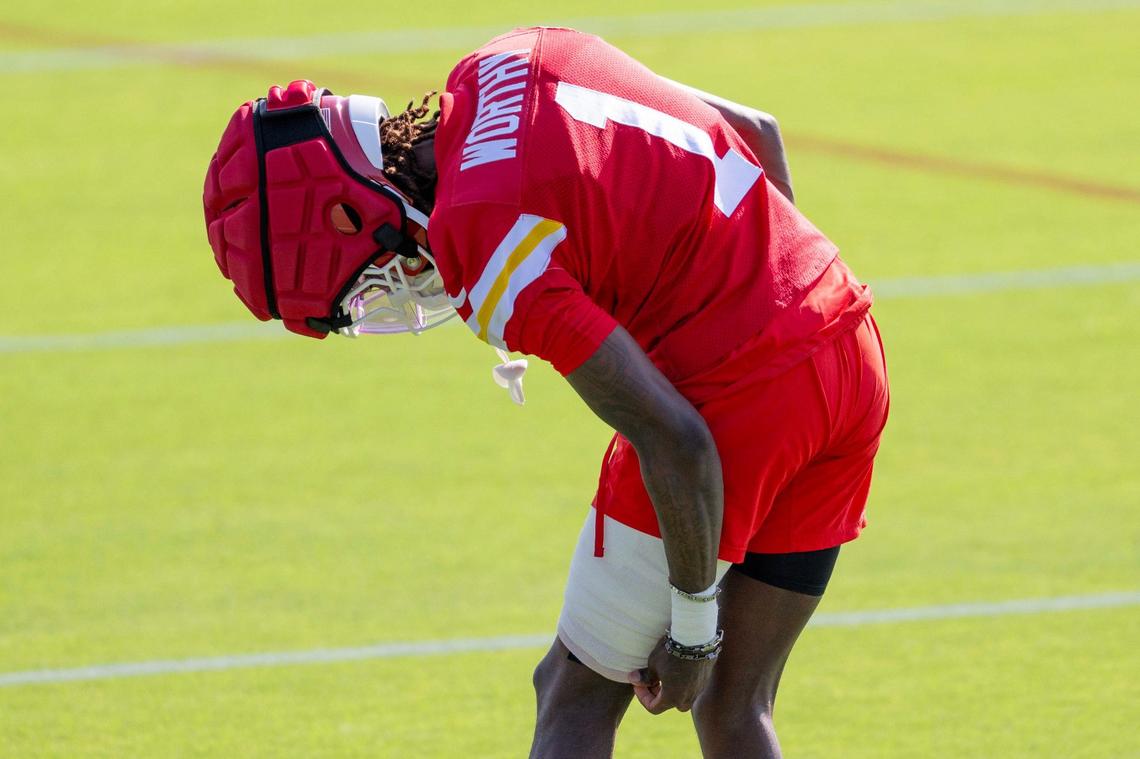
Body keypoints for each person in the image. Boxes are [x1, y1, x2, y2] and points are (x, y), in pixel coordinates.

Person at [202, 26, 889, 759]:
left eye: (364, 285)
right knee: (737, 704)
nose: (387, 292)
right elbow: (758, 132)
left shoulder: (483, 247)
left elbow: (677, 440)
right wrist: (778, 301)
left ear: (349, 213)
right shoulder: (506, 56)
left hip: (738, 400)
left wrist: (693, 632)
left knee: (574, 697)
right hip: (849, 341)